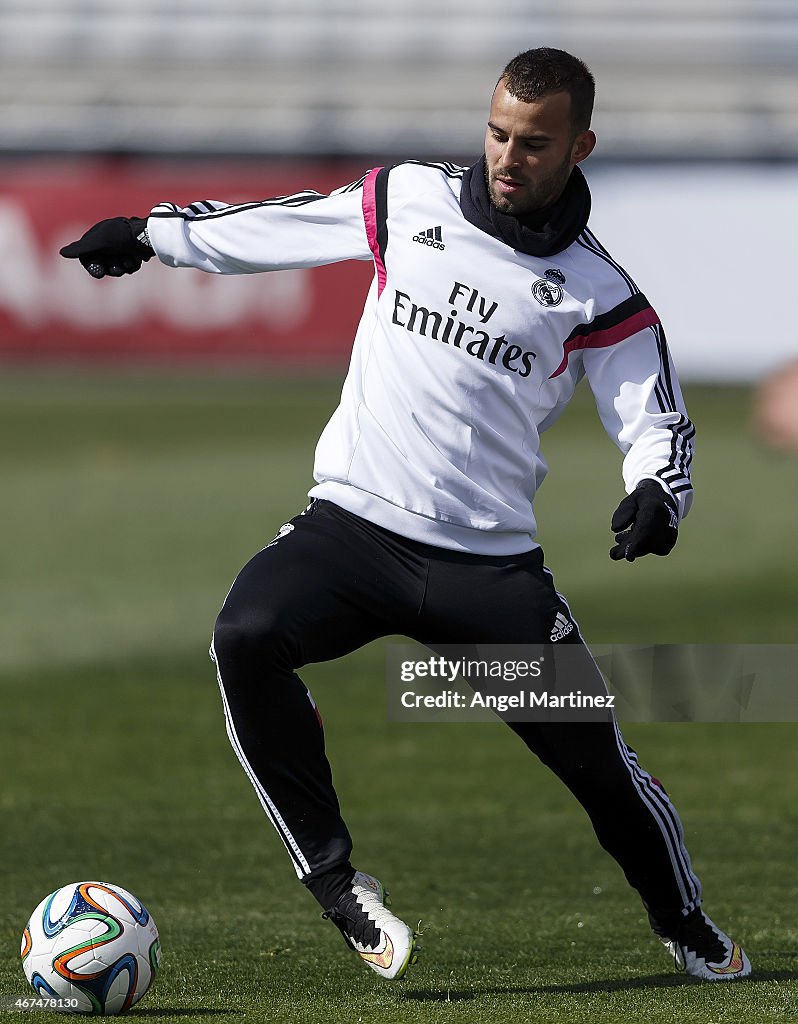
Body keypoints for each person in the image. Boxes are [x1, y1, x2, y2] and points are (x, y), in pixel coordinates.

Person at [61, 48, 750, 984]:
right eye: (499, 133)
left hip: (488, 568)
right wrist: (152, 234)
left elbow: (656, 417)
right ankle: (337, 883)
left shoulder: (603, 294)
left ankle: (686, 921)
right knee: (245, 634)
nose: (509, 157)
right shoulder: (407, 199)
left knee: (601, 769)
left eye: (535, 143)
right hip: (351, 529)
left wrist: (659, 493)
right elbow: (277, 227)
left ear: (580, 145)